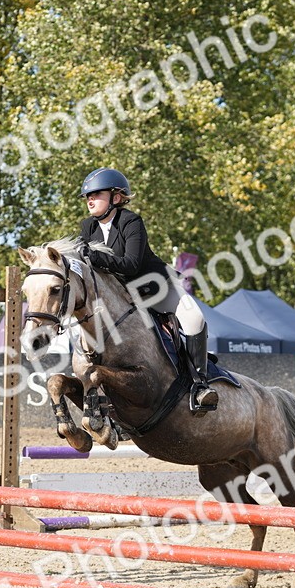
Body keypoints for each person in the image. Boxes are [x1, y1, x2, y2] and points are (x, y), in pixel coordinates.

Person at [77, 167, 218, 413]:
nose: (90, 199)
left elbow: (131, 264)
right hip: (124, 296)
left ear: (116, 197)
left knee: (194, 319)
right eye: (88, 195)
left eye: (97, 194)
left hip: (155, 287)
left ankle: (200, 385)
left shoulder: (131, 222)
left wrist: (93, 256)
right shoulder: (88, 227)